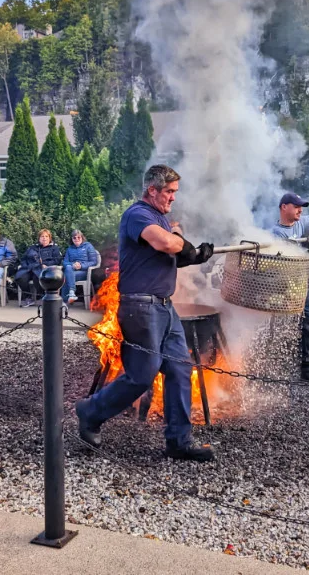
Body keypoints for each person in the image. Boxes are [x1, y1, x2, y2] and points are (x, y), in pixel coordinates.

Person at [74, 164, 215, 462]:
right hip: (140, 306)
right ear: (152, 190)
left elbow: (168, 251)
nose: (173, 198)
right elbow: (166, 242)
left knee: (179, 370)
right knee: (142, 376)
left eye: (175, 192)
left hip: (164, 306)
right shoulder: (137, 215)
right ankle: (90, 411)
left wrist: (189, 255)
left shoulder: (160, 219)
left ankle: (179, 440)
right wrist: (183, 245)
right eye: (169, 192)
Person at [271, 192, 309, 384]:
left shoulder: (302, 221)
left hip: (300, 283)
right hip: (281, 283)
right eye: (296, 206)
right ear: (283, 207)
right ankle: (268, 364)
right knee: (273, 324)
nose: (300, 210)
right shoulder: (276, 232)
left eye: (301, 206)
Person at [15, 228, 63, 306]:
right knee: (20, 277)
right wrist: (25, 266)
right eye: (42, 236)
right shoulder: (33, 247)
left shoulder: (54, 248)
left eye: (46, 236)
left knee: (37, 276)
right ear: (39, 238)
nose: (44, 238)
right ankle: (28, 298)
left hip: (44, 269)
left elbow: (57, 260)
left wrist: (45, 264)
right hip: (29, 268)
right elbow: (23, 259)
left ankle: (40, 297)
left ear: (49, 238)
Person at [62, 229, 100, 304]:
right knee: (68, 268)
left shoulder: (88, 246)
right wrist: (73, 265)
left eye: (78, 237)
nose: (76, 239)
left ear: (82, 238)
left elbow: (94, 262)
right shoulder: (69, 249)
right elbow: (65, 262)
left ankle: (64, 301)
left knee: (65, 276)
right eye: (74, 238)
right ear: (72, 239)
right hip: (72, 270)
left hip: (84, 272)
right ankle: (71, 293)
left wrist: (81, 266)